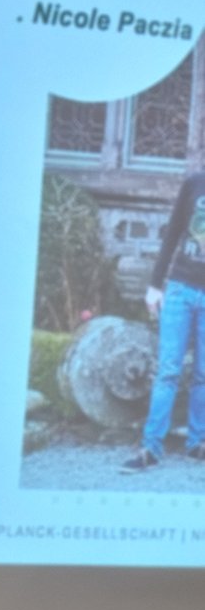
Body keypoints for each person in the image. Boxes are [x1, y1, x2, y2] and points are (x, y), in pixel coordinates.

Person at [123, 170, 205, 472]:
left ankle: (197, 443)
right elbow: (172, 234)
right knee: (168, 369)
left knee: (203, 373)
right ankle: (151, 448)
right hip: (181, 288)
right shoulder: (195, 184)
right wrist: (155, 285)